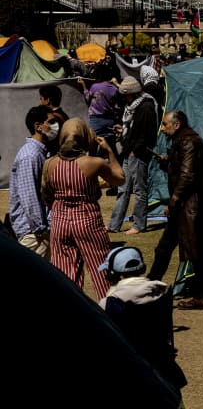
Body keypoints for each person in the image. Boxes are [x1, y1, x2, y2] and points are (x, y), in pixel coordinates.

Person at [150, 111, 203, 310]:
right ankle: (151, 286)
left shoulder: (189, 142)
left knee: (196, 254)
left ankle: (202, 296)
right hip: (186, 208)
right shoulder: (183, 141)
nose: (162, 128)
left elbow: (188, 176)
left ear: (176, 124)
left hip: (190, 208)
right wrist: (168, 161)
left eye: (165, 124)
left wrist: (173, 202)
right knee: (167, 249)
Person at [41, 118, 123, 299]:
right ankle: (110, 311)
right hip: (88, 220)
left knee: (66, 275)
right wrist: (109, 151)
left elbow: (46, 196)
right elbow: (120, 178)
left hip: (60, 222)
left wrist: (59, 210)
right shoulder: (94, 163)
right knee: (102, 270)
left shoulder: (49, 164)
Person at [98, 246, 187, 392]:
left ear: (118, 276)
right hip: (163, 368)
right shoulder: (161, 294)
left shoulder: (108, 304)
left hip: (129, 371)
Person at [109, 77, 158, 235]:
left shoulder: (146, 107)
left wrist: (134, 150)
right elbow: (134, 129)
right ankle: (114, 225)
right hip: (129, 151)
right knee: (123, 189)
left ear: (132, 94)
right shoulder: (134, 106)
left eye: (126, 95)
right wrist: (123, 131)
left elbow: (145, 133)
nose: (124, 99)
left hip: (137, 153)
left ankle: (139, 225)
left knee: (139, 190)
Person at [9, 106, 57, 257]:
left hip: (38, 230)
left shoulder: (40, 152)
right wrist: (41, 230)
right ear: (38, 127)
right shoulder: (31, 155)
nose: (55, 126)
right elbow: (30, 197)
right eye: (51, 121)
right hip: (34, 234)